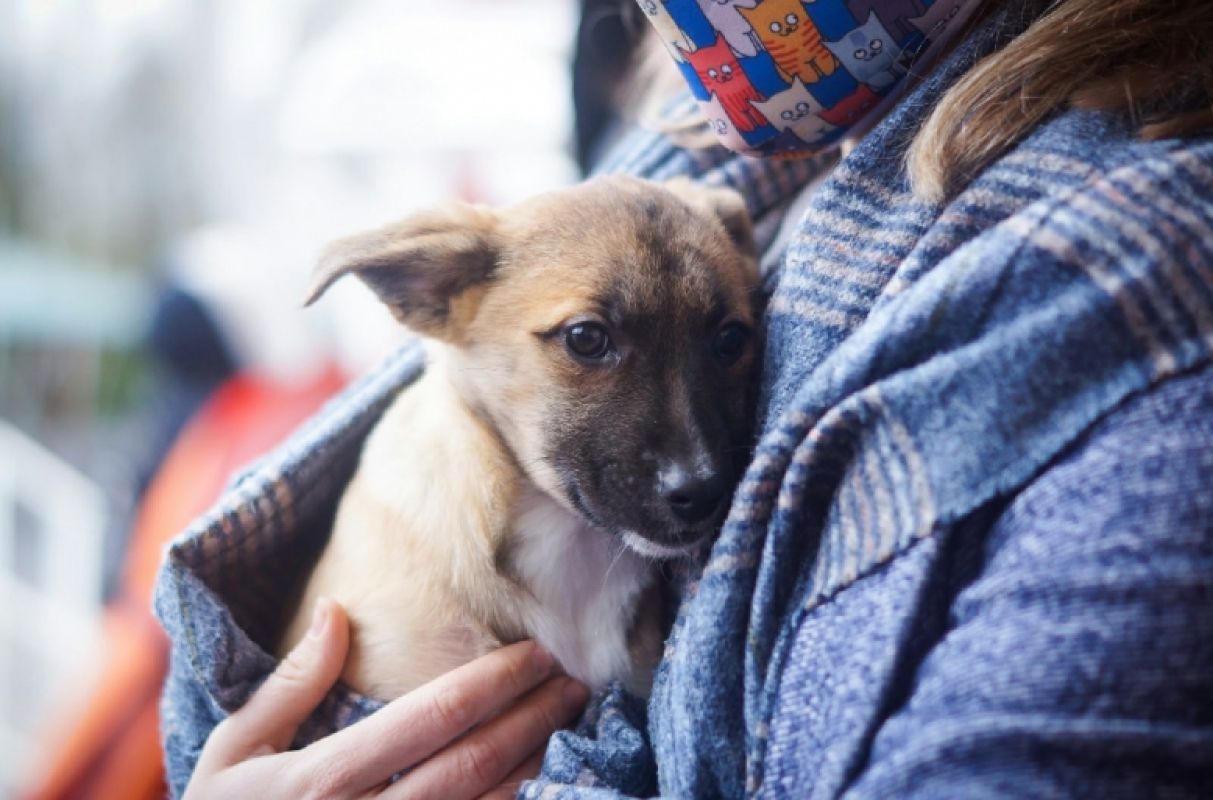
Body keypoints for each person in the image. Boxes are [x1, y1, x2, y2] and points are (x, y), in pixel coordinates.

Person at [161, 0, 1213, 796]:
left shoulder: (1143, 307)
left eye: (727, 344)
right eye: (588, 342)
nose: (694, 461)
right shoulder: (707, 154)